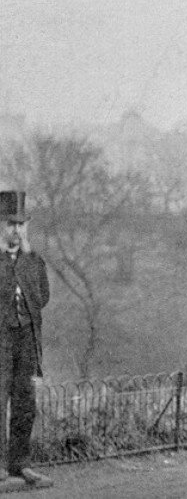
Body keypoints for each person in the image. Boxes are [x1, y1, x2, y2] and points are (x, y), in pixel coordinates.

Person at [0, 191, 53, 491]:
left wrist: (29, 259)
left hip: (27, 339)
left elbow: (42, 297)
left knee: (25, 402)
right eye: (10, 224)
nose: (16, 231)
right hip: (1, 339)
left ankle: (20, 463)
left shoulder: (33, 261)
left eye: (21, 225)